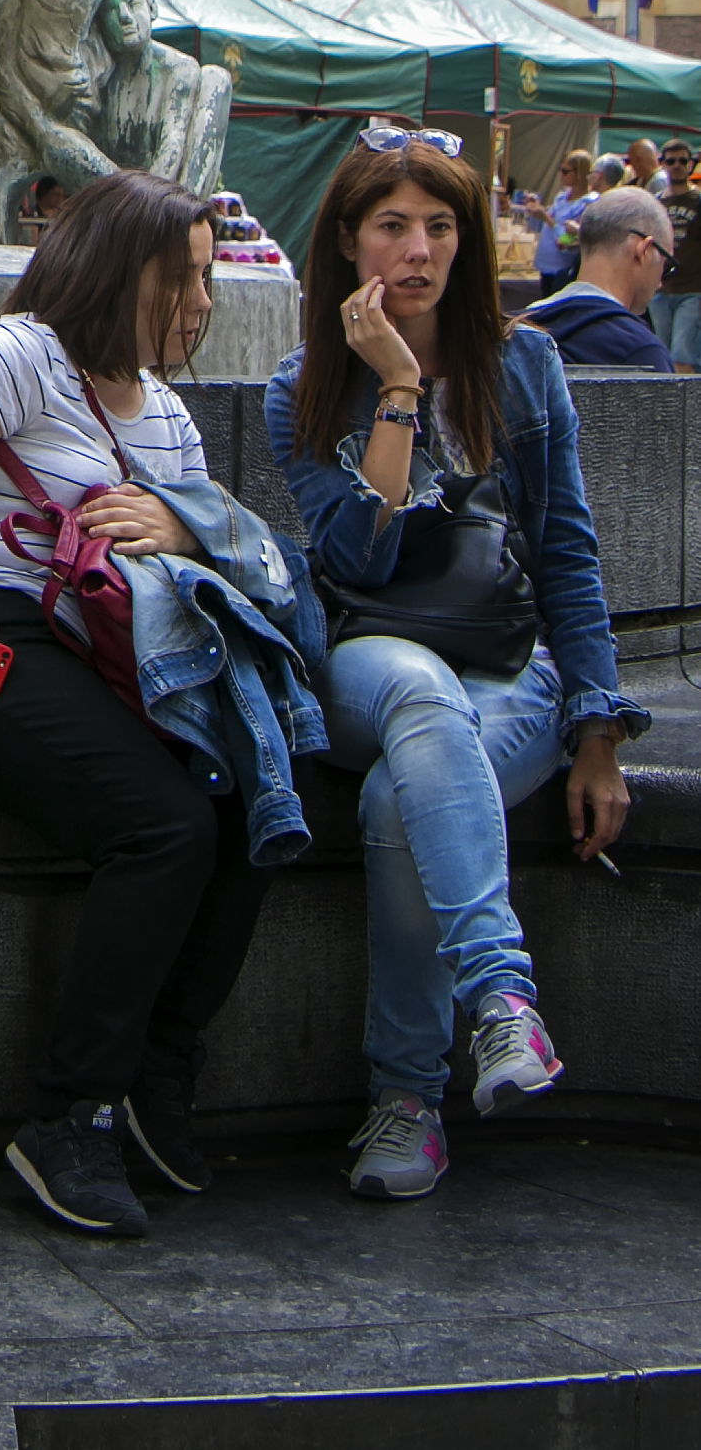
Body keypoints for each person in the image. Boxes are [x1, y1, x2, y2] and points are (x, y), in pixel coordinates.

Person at [0, 171, 276, 1239]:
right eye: (180, 276)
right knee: (161, 823)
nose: (200, 301)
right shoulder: (29, 354)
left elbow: (204, 558)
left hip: (96, 650)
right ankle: (69, 1115)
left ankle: (156, 1066)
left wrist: (183, 529)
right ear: (114, 269)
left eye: (208, 277)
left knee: (253, 800)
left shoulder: (166, 415)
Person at [265, 129, 642, 1202]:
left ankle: (407, 1099)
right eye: (391, 225)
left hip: (508, 667)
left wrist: (598, 731)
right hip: (368, 662)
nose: (418, 250)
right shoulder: (303, 385)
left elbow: (566, 550)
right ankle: (499, 991)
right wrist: (395, 384)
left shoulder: (522, 364)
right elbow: (357, 556)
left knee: (400, 796)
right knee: (415, 694)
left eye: (439, 227)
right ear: (347, 241)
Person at [518, 188, 676, 371]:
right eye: (665, 264)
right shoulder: (643, 355)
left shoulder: (516, 331)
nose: (660, 283)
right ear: (643, 251)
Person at [650, 141, 700, 375]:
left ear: (691, 164)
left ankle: (688, 401)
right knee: (663, 358)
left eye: (683, 161)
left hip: (693, 290)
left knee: (682, 357)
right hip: (660, 290)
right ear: (662, 164)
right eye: (671, 161)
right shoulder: (655, 203)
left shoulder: (698, 200)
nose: (677, 166)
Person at [529, 150, 593, 296]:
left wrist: (546, 218)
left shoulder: (586, 204)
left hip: (562, 269)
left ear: (580, 173)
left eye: (565, 171)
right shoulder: (561, 198)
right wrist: (535, 211)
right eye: (560, 170)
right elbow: (542, 228)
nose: (560, 175)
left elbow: (566, 241)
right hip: (545, 265)